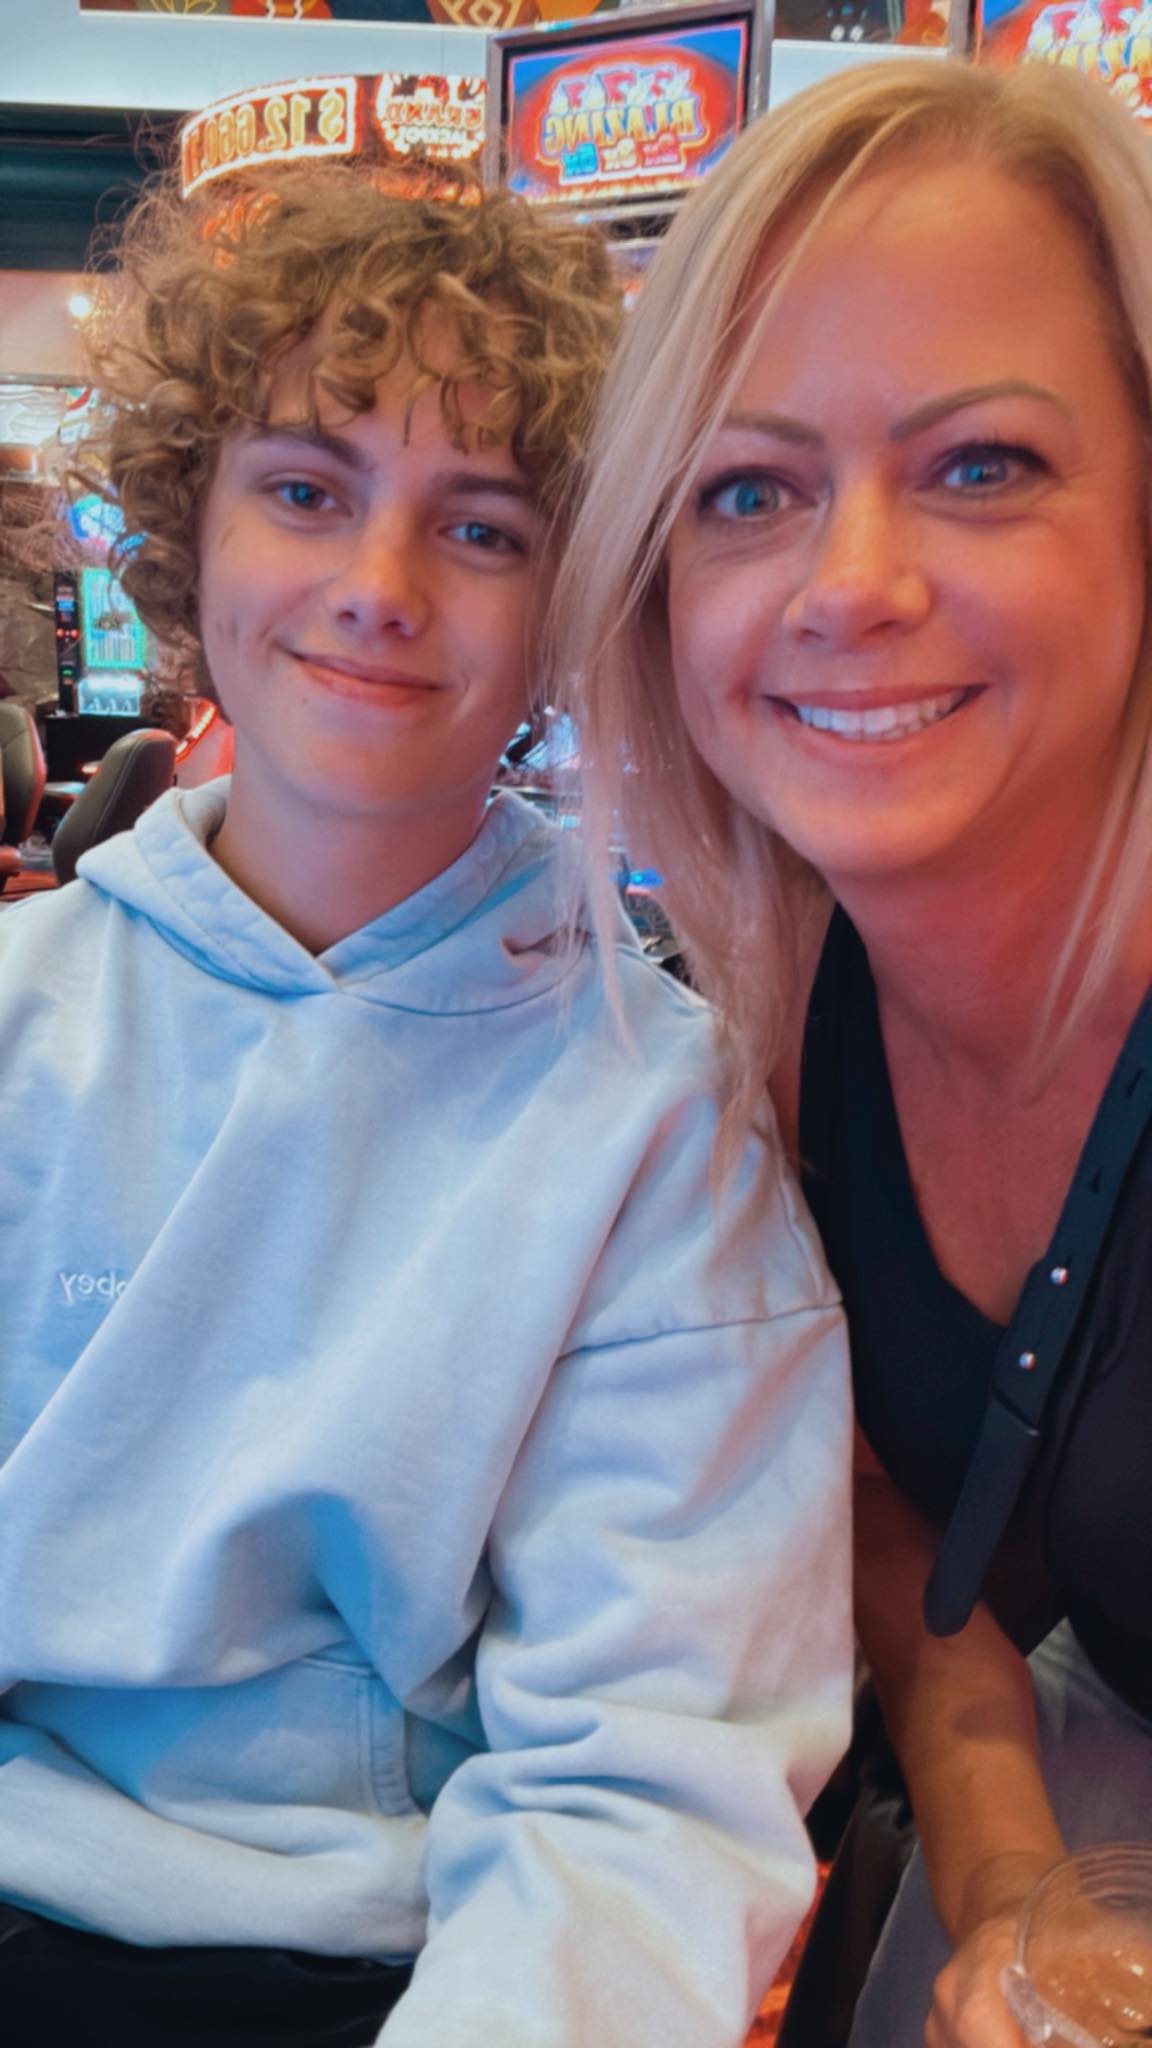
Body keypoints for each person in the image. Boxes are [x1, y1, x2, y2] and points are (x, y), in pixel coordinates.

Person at [0, 160, 853, 2048]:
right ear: (186, 536)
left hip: (394, 1966)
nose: (377, 593)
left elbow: (649, 1773)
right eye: (306, 493)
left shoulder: (654, 1121)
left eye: (481, 529)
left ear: (569, 609)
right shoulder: (25, 1021)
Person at [554, 55, 1152, 2048]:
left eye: (982, 462)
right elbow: (910, 1508)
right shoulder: (776, 1005)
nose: (854, 582)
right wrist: (1011, 1898)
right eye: (750, 489)